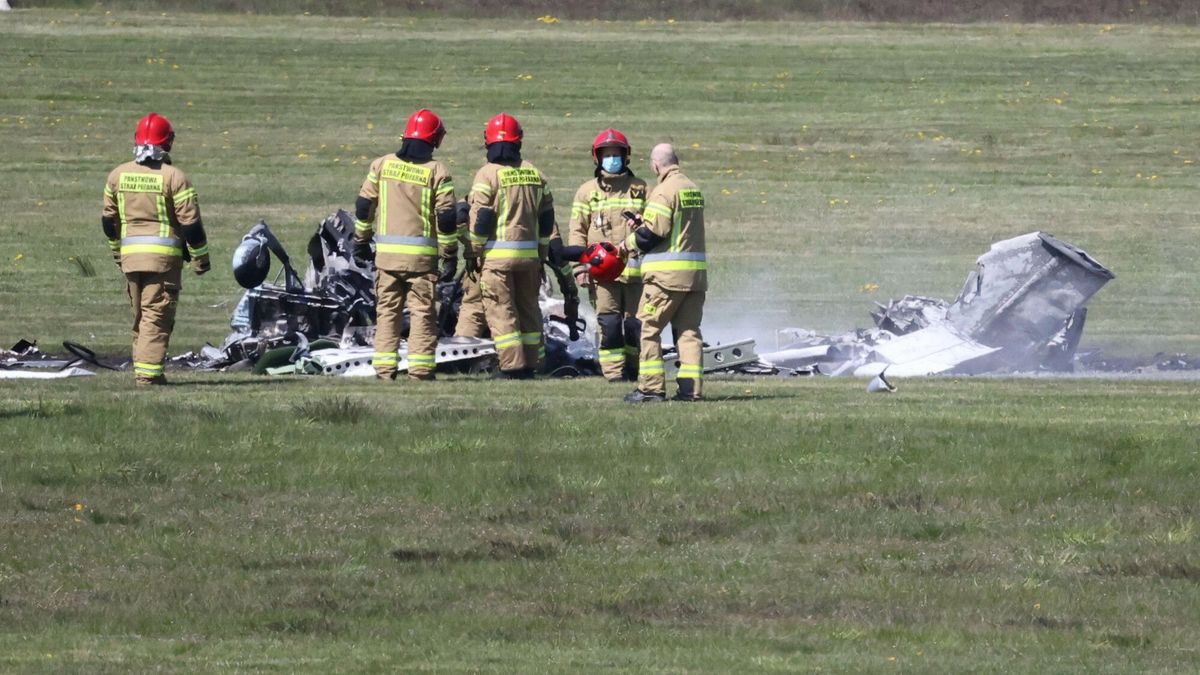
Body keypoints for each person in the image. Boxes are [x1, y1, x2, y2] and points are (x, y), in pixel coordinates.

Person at [102, 113, 209, 385]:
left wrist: (117, 253)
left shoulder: (117, 176)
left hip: (130, 261)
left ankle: (145, 371)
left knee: (141, 317)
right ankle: (148, 379)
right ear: (167, 142)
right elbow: (191, 225)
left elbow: (109, 223)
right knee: (156, 317)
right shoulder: (174, 178)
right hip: (162, 263)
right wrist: (200, 259)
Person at [353, 108, 456, 380]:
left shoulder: (381, 165)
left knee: (387, 313)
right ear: (434, 139)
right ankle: (420, 372)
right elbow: (446, 218)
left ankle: (384, 371)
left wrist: (360, 241)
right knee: (422, 314)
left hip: (386, 259)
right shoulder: (437, 171)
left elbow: (364, 206)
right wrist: (450, 255)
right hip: (421, 262)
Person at [466, 113, 556, 378]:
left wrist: (474, 251)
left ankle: (512, 367)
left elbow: (482, 219)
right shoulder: (535, 173)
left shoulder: (487, 174)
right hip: (529, 259)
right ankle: (532, 363)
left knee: (502, 311)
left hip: (497, 261)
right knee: (529, 310)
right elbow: (547, 219)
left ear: (488, 142)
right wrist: (542, 254)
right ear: (519, 141)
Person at [621, 143, 707, 403]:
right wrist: (642, 224)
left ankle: (650, 389)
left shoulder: (663, 191)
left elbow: (652, 235)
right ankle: (691, 391)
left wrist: (626, 244)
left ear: (655, 165)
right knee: (689, 333)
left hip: (665, 279)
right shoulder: (692, 188)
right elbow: (675, 231)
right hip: (694, 279)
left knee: (648, 329)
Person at [567, 128, 647, 382]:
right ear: (598, 157)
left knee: (636, 325)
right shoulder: (586, 192)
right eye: (607, 155)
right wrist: (579, 269)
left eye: (616, 155)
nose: (612, 160)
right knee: (610, 324)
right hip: (602, 276)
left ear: (626, 156)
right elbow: (577, 232)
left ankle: (636, 369)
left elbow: (655, 228)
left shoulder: (642, 189)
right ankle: (613, 374)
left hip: (637, 274)